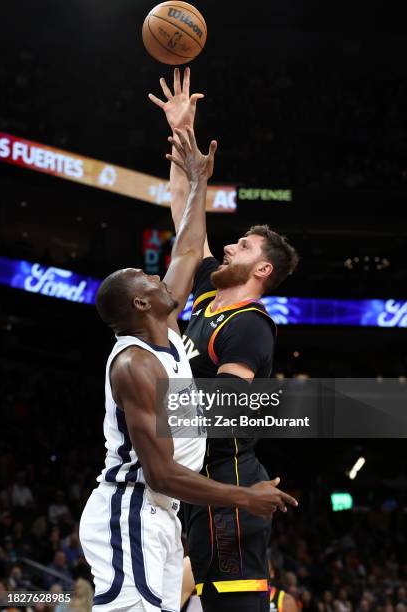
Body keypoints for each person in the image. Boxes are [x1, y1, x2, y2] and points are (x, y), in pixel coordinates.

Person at [79, 127, 298, 612]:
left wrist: (195, 170)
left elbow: (185, 240)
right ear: (142, 302)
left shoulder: (178, 327)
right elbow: (166, 466)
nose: (160, 276)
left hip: (179, 499)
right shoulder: (139, 359)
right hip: (142, 500)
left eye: (242, 245)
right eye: (149, 279)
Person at [150, 68, 299, 612]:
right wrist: (179, 138)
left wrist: (152, 407)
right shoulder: (211, 298)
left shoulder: (251, 325)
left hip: (227, 486)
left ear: (261, 269)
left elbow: (226, 410)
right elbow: (185, 219)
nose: (228, 247)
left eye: (241, 245)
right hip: (195, 483)